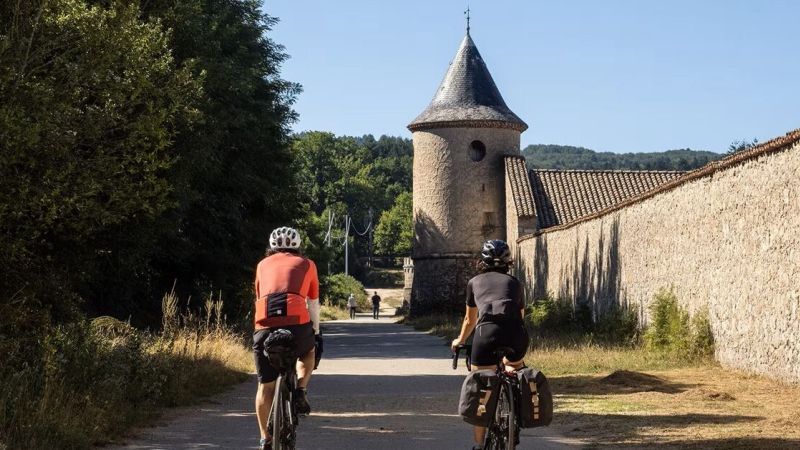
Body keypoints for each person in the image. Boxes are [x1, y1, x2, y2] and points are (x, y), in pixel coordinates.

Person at [450, 239, 529, 450]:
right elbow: (521, 317)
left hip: (487, 334)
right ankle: (516, 415)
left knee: (481, 385)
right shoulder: (515, 284)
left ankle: (478, 444)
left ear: (482, 261)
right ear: (508, 261)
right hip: (516, 334)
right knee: (514, 367)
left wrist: (460, 340)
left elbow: (470, 320)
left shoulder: (474, 283)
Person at [253, 226, 322, 450]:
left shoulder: (262, 265)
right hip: (296, 322)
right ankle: (301, 389)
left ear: (271, 248)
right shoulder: (307, 264)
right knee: (308, 351)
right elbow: (313, 303)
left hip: (264, 325)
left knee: (265, 386)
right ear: (298, 247)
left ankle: (265, 438)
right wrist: (316, 332)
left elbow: (258, 295)